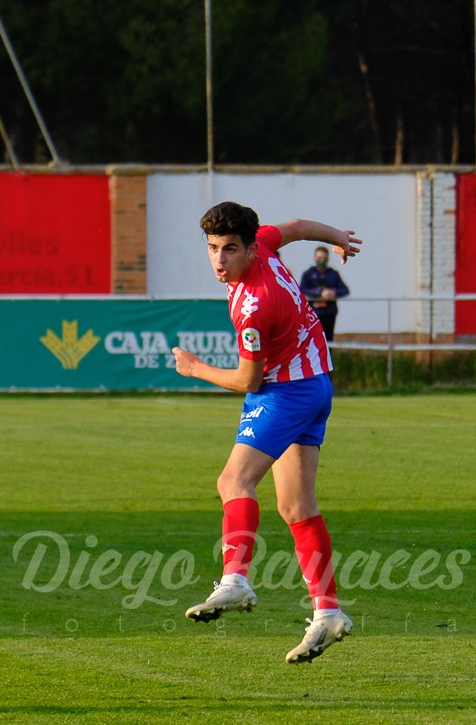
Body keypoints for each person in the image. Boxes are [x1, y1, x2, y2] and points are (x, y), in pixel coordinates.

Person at [173, 201, 361, 663]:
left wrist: (196, 368)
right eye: (213, 249)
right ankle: (329, 611)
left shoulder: (255, 305)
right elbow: (295, 226)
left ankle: (235, 581)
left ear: (250, 248)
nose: (219, 260)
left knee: (233, 482)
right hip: (314, 384)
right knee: (297, 507)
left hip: (285, 392)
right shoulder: (268, 247)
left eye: (229, 250)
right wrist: (336, 234)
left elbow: (247, 381)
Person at [299, 245, 351, 341]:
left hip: (329, 313)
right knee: (313, 342)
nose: (322, 260)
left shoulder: (333, 274)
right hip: (313, 314)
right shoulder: (308, 274)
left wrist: (333, 292)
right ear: (315, 258)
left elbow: (345, 290)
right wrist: (319, 292)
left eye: (324, 258)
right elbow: (301, 290)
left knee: (329, 341)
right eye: (319, 258)